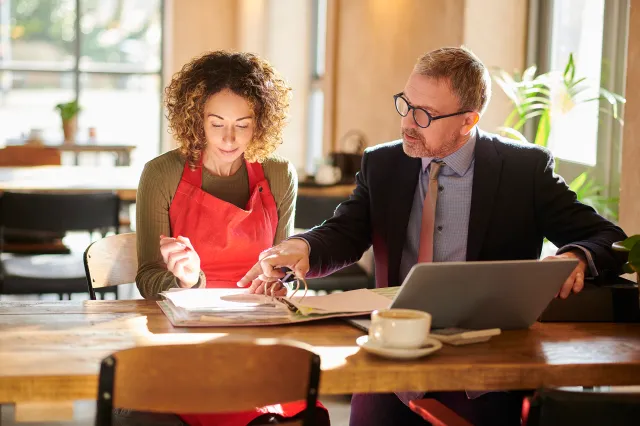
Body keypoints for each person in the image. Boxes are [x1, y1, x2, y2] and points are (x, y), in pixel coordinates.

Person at [238, 47, 628, 426]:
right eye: (406, 104)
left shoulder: (523, 171)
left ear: (468, 121)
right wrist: (302, 247)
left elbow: (608, 237)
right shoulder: (383, 162)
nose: (408, 121)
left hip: (482, 371)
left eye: (425, 114)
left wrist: (576, 256)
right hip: (391, 366)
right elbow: (346, 231)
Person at [129, 51, 329, 426]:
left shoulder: (278, 174)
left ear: (260, 124)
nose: (229, 137)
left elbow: (281, 262)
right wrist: (187, 280)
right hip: (183, 337)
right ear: (196, 121)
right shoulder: (162, 174)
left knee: (306, 413)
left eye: (243, 123)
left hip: (257, 334)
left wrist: (278, 278)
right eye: (216, 123)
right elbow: (147, 277)